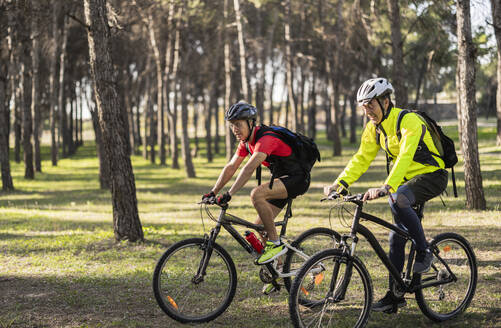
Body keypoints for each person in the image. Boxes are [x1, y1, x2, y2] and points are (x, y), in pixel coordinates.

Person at [324, 78, 448, 313]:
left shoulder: (408, 120)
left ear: (385, 101)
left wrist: (387, 186)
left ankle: (425, 250)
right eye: (363, 107)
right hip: (404, 183)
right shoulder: (374, 128)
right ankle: (395, 296)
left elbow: (405, 156)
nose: (367, 111)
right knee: (395, 238)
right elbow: (362, 158)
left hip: (432, 175)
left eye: (370, 105)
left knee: (398, 198)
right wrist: (340, 183)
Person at [202, 101, 312, 268]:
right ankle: (278, 270)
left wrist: (229, 194)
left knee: (256, 194)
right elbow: (231, 167)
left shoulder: (266, 139)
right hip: (282, 181)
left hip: (297, 179)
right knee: (261, 226)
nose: (235, 130)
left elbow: (248, 168)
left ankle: (275, 244)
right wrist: (213, 191)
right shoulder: (246, 143)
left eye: (238, 124)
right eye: (232, 125)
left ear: (251, 123)